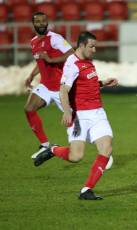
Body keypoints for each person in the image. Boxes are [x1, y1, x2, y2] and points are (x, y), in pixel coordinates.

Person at [32, 31, 119, 200]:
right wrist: (67, 111)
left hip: (98, 113)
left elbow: (86, 83)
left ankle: (86, 190)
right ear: (81, 45)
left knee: (106, 148)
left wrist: (102, 83)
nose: (94, 50)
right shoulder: (72, 63)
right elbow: (64, 89)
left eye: (95, 46)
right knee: (76, 156)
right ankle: (53, 149)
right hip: (80, 116)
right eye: (91, 46)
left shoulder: (87, 61)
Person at [24, 12, 74, 157]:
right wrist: (31, 75)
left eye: (44, 21)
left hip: (61, 87)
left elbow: (71, 53)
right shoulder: (33, 42)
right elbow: (41, 62)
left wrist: (52, 60)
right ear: (33, 24)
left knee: (78, 123)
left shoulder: (55, 38)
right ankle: (45, 145)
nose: (41, 24)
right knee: (29, 108)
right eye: (38, 21)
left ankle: (103, 152)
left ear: (47, 22)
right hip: (45, 85)